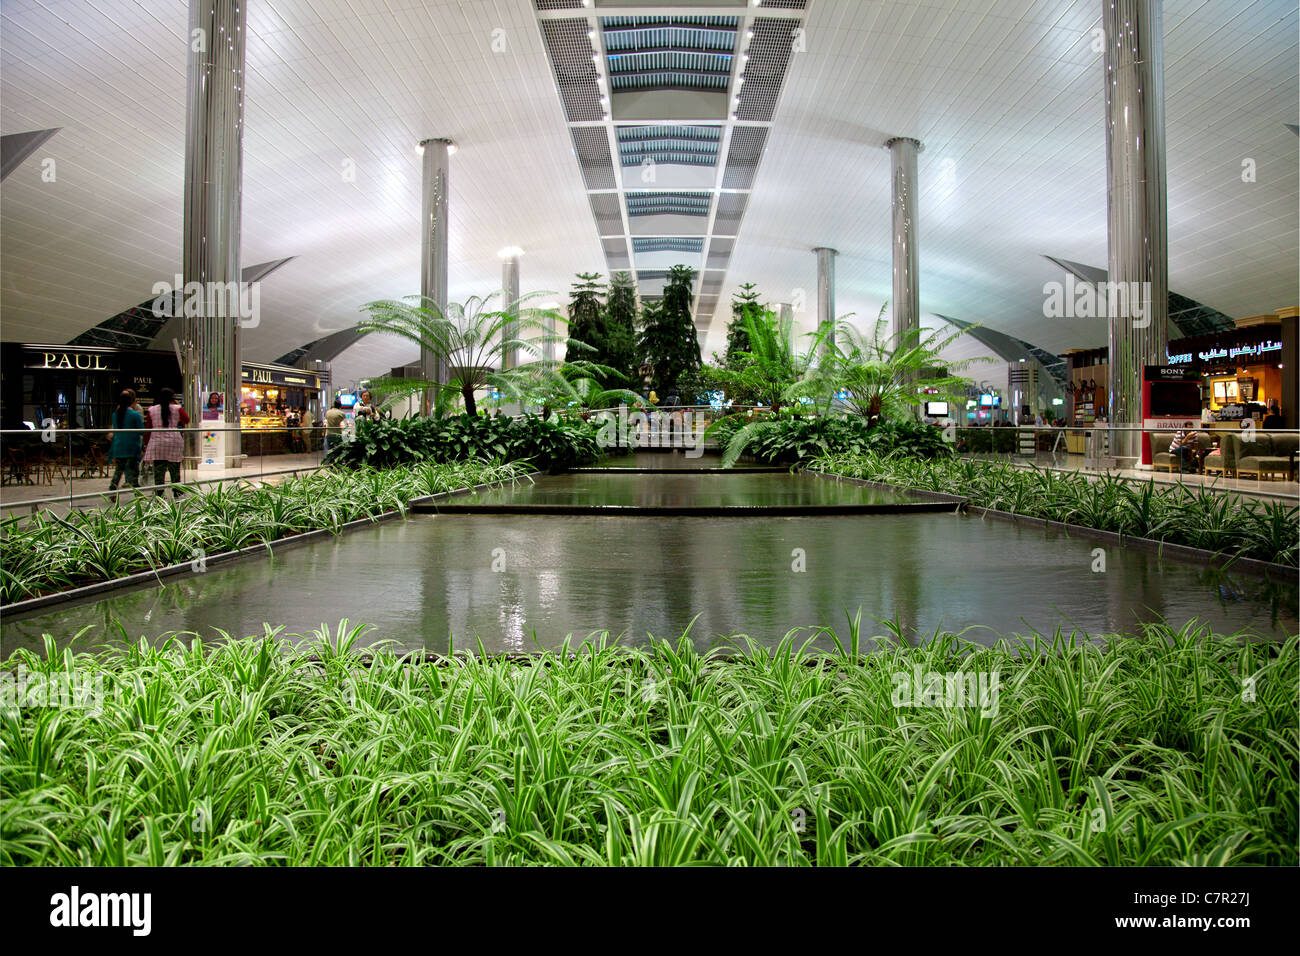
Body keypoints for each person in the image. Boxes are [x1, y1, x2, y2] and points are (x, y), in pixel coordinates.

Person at [140, 387, 189, 498]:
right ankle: (177, 491)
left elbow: (148, 428)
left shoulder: (152, 410)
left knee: (159, 470)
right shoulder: (177, 408)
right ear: (172, 398)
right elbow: (186, 420)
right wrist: (176, 404)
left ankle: (159, 492)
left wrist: (145, 444)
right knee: (174, 469)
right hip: (174, 441)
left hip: (157, 442)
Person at [106, 389, 144, 492]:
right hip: (132, 447)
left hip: (118, 446)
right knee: (134, 471)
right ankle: (137, 493)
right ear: (131, 401)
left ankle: (112, 489)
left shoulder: (115, 415)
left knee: (118, 470)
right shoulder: (135, 415)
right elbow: (141, 431)